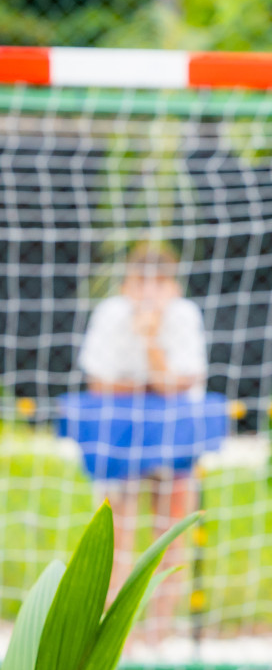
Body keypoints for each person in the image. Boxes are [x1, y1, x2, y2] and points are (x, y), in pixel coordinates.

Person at [78, 239, 208, 636]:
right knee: (116, 530)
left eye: (159, 283)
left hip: (175, 436)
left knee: (171, 528)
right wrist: (156, 383)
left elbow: (183, 384)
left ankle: (159, 629)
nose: (149, 293)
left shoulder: (185, 316)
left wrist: (150, 342)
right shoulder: (110, 315)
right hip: (121, 435)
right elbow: (98, 383)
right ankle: (113, 629)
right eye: (140, 282)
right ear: (126, 285)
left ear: (173, 287)